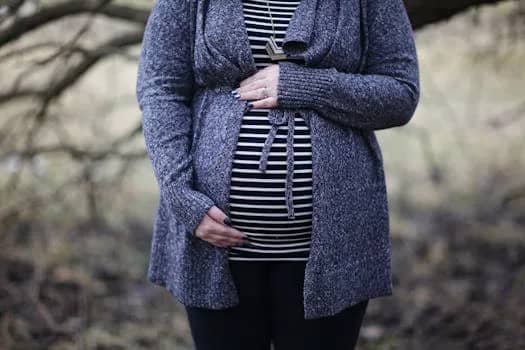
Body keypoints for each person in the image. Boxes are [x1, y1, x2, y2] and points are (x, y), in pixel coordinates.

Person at [135, 0, 420, 349]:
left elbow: (400, 93)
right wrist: (179, 193)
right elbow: (160, 87)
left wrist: (305, 85)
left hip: (333, 246)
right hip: (212, 244)